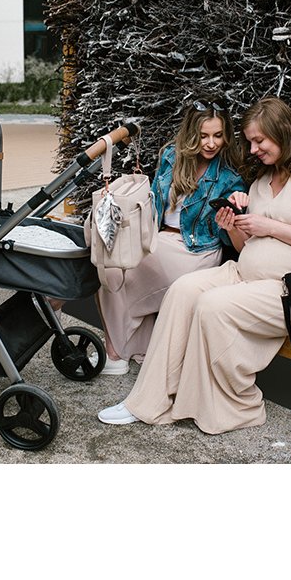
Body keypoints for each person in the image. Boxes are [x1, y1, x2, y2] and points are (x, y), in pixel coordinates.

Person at [97, 96, 291, 433]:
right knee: (183, 290)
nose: (253, 149)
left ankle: (231, 408)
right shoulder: (261, 182)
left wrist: (270, 226)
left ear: (283, 132)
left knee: (212, 305)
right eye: (250, 142)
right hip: (245, 274)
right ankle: (145, 401)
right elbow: (245, 247)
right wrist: (232, 225)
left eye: (259, 141)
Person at [96, 99, 246, 375]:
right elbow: (153, 203)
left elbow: (230, 240)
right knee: (110, 265)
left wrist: (233, 215)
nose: (211, 143)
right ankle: (135, 348)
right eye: (203, 135)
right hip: (158, 240)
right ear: (191, 133)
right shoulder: (170, 157)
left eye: (217, 135)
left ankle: (115, 353)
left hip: (196, 251)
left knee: (121, 269)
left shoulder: (229, 179)